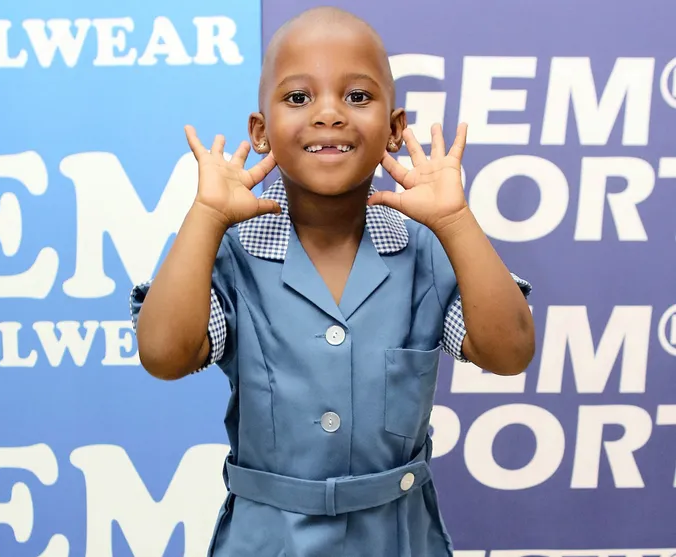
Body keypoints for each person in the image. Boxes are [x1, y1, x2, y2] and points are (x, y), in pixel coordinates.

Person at [130, 6, 534, 557]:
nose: (328, 115)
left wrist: (456, 222)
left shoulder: (427, 248)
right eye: (299, 97)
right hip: (266, 544)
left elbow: (510, 353)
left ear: (395, 128)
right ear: (261, 131)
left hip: (399, 541)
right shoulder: (230, 251)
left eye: (357, 96)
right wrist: (205, 216)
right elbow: (163, 355)